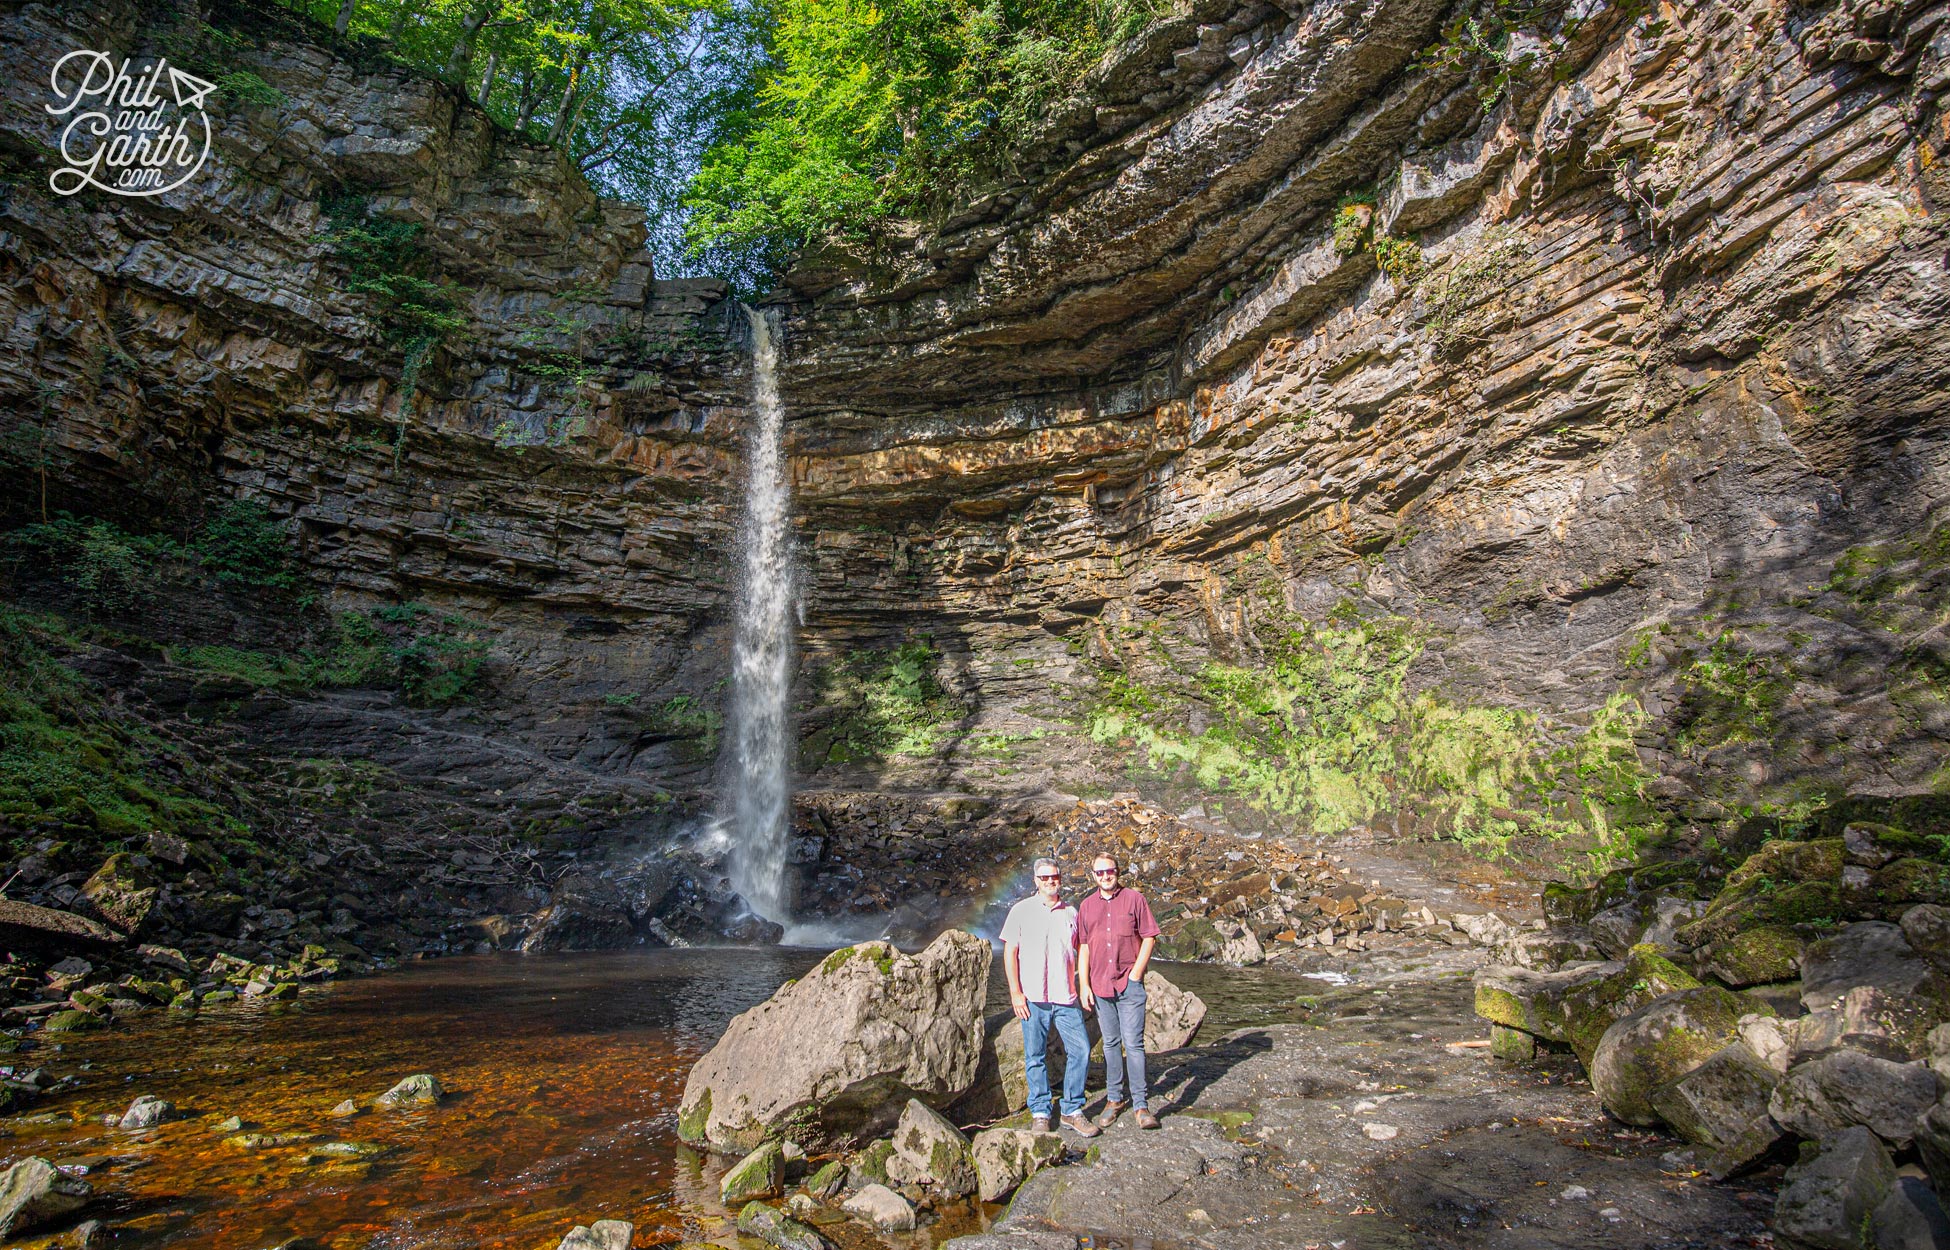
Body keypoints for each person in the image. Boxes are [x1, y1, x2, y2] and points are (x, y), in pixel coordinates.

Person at [1000, 857, 1101, 1138]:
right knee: (1035, 1056)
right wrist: (1015, 993)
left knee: (1080, 1050)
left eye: (1054, 877)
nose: (1050, 882)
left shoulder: (1071, 913)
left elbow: (1083, 949)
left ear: (1060, 879)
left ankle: (1071, 1109)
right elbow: (1010, 952)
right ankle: (1041, 1111)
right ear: (1035, 881)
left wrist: (1084, 985)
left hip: (1065, 996)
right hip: (1032, 997)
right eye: (1044, 878)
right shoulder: (1020, 911)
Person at [1077, 852, 1162, 1130]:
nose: (1105, 876)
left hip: (1129, 984)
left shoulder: (1135, 900)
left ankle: (1141, 1105)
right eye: (1099, 873)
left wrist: (1136, 973)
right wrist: (1084, 985)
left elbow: (1149, 936)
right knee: (1111, 1044)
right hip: (1101, 985)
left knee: (1134, 1044)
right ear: (1093, 876)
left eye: (1109, 871)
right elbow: (1085, 946)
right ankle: (1114, 1099)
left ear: (1118, 872)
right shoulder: (1086, 906)